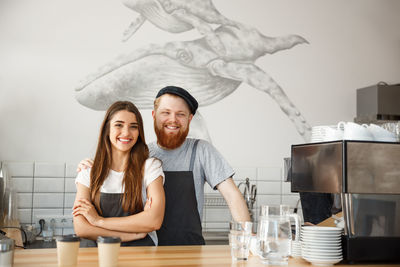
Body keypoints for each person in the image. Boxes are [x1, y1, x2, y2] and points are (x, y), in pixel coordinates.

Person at [78, 86, 250, 245]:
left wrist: (247, 239)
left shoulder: (201, 151)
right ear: (154, 115)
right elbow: (114, 167)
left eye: (181, 114)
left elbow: (232, 196)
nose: (172, 120)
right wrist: (94, 166)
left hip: (189, 250)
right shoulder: (142, 155)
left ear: (190, 119)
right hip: (149, 248)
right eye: (165, 112)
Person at [73, 101, 165, 246]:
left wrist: (98, 221)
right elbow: (82, 228)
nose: (126, 132)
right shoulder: (88, 171)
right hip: (97, 254)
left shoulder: (150, 167)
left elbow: (154, 220)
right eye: (119, 125)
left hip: (140, 253)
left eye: (133, 127)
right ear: (107, 129)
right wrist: (130, 235)